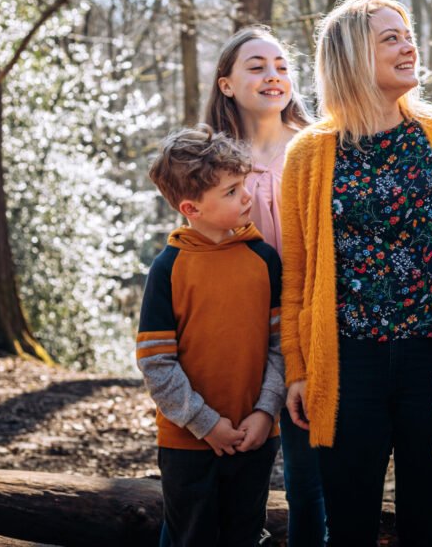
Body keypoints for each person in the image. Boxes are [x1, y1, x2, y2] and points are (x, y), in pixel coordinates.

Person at [279, 0, 432, 547]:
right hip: (345, 361)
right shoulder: (309, 153)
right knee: (349, 523)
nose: (410, 46)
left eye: (407, 34)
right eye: (391, 38)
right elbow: (297, 275)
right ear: (353, 56)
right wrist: (298, 369)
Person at [204, 27, 325, 547]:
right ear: (227, 84)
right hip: (237, 332)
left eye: (280, 66)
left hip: (308, 329)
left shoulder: (318, 146)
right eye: (256, 67)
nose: (273, 76)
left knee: (307, 477)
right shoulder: (210, 162)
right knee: (229, 467)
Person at [137, 125, 284, 546]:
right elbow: (155, 361)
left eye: (244, 185)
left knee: (244, 534)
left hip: (254, 437)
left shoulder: (263, 259)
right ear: (191, 207)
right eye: (232, 191)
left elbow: (279, 347)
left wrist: (264, 412)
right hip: (187, 443)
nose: (247, 197)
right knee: (191, 537)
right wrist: (206, 424)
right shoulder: (168, 269)